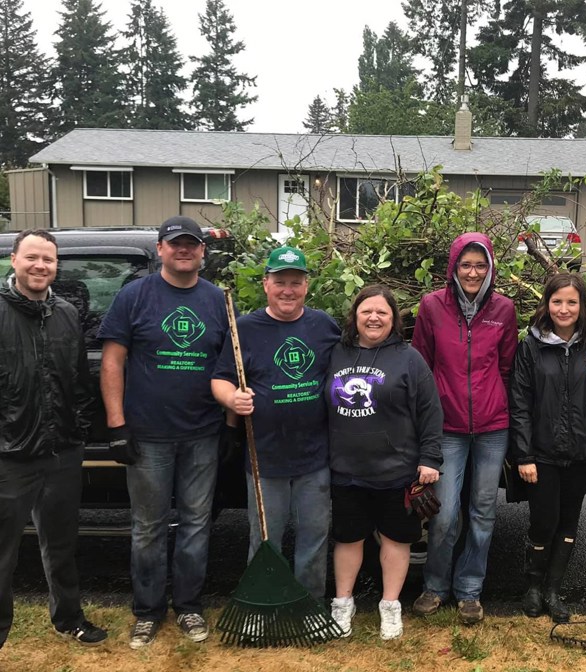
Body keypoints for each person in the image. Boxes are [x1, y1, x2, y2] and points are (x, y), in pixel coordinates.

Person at [99, 216, 229, 649]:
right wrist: (116, 425)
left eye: (191, 244)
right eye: (175, 244)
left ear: (202, 251)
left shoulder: (217, 300)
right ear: (160, 249)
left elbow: (231, 367)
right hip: (147, 434)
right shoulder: (134, 296)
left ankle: (189, 605)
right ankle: (148, 611)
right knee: (149, 527)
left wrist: (229, 427)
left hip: (203, 433)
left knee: (196, 524)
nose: (184, 250)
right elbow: (112, 361)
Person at [0, 229, 107, 668]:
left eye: (48, 259)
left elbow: (79, 381)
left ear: (56, 265)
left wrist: (76, 432)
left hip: (61, 451)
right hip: (9, 455)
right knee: (3, 555)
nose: (40, 266)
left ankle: (69, 618)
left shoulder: (64, 313)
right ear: (13, 259)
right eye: (32, 257)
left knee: (61, 544)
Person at [211, 245, 340, 602]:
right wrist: (232, 399)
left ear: (306, 286)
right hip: (264, 458)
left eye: (295, 282)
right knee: (266, 539)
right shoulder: (245, 329)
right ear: (266, 284)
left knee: (314, 538)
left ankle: (308, 605)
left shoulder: (323, 325)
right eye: (280, 281)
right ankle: (264, 604)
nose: (288, 290)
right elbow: (220, 379)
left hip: (315, 457)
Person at [411, 232, 518, 624]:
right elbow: (421, 365)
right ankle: (435, 586)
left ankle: (470, 590)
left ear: (491, 268)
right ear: (453, 267)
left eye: (480, 265)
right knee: (444, 514)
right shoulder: (432, 306)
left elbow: (506, 366)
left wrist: (496, 404)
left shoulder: (504, 309)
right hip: (447, 427)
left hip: (492, 428)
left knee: (483, 511)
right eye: (466, 265)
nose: (473, 273)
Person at [325, 285, 443, 639]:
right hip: (346, 469)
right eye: (367, 311)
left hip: (396, 470)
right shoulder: (336, 354)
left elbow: (430, 412)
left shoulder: (409, 358)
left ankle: (390, 607)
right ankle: (342, 604)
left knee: (396, 539)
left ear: (394, 320)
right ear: (355, 316)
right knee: (348, 538)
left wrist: (429, 458)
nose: (374, 318)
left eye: (382, 312)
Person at [509, 273, 586, 622]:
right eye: (557, 301)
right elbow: (520, 404)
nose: (564, 309)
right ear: (547, 304)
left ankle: (553, 590)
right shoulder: (531, 347)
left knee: (569, 523)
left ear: (582, 306)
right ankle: (533, 586)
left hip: (582, 454)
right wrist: (524, 455)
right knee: (544, 522)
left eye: (572, 302)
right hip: (542, 454)